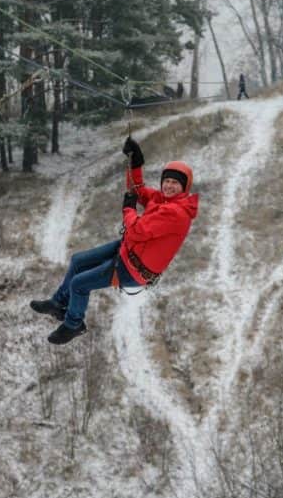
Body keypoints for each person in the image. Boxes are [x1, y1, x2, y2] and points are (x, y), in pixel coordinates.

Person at [30, 137, 200, 344]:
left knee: (79, 284)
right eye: (167, 181)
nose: (169, 185)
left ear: (185, 187)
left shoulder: (176, 213)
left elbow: (137, 230)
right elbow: (136, 190)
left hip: (134, 270)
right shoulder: (161, 200)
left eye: (175, 183)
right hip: (128, 250)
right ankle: (58, 303)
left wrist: (128, 209)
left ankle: (74, 324)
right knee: (78, 261)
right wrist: (136, 164)